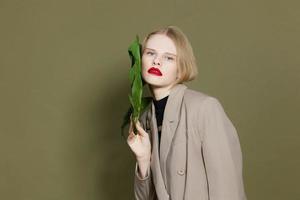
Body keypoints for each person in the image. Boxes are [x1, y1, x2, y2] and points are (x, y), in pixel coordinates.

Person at [127, 26, 247, 200]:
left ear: (181, 67)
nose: (157, 62)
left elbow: (228, 189)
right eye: (150, 53)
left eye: (168, 57)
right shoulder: (146, 119)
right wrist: (143, 159)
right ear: (141, 60)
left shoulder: (204, 108)